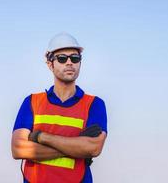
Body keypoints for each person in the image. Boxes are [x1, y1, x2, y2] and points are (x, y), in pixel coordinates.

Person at [11, 32, 108, 183]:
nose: (69, 63)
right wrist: (76, 147)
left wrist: (40, 137)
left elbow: (93, 148)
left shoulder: (94, 104)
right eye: (62, 58)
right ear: (50, 64)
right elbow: (18, 148)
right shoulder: (32, 102)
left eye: (75, 58)